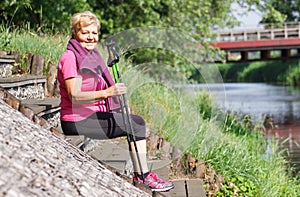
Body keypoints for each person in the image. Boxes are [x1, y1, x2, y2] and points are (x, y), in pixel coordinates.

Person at [57, 11, 174, 192]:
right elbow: (74, 95)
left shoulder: (92, 57)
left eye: (94, 33)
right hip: (76, 120)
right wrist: (107, 92)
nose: (90, 37)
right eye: (85, 32)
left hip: (92, 115)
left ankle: (142, 175)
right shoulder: (70, 58)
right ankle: (143, 177)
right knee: (136, 124)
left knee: (134, 122)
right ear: (75, 33)